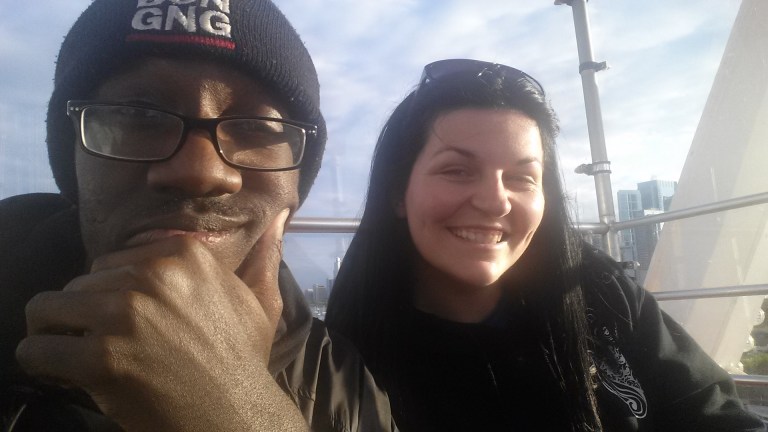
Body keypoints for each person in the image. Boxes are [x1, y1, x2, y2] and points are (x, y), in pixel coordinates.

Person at [0, 1, 395, 431]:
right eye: (139, 116)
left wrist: (241, 410)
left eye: (256, 127)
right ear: (72, 161)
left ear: (297, 182)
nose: (201, 171)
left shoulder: (343, 382)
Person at [325, 59, 766, 432]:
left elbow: (710, 410)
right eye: (457, 170)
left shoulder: (594, 290)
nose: (496, 200)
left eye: (521, 178)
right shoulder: (342, 365)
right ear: (397, 193)